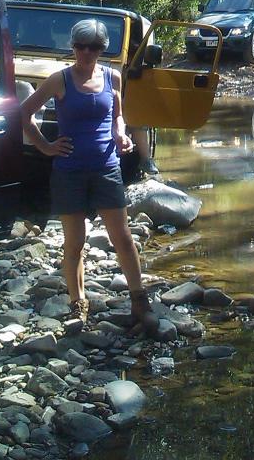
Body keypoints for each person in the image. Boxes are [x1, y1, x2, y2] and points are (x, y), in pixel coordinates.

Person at [20, 19, 158, 335]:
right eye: (80, 46)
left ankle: (139, 301)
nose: (86, 52)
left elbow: (118, 115)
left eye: (93, 47)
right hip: (69, 172)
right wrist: (46, 146)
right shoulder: (59, 80)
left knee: (122, 237)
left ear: (101, 49)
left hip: (106, 167)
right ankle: (78, 305)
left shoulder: (112, 77)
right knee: (75, 242)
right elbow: (24, 113)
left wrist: (120, 134)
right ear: (73, 47)